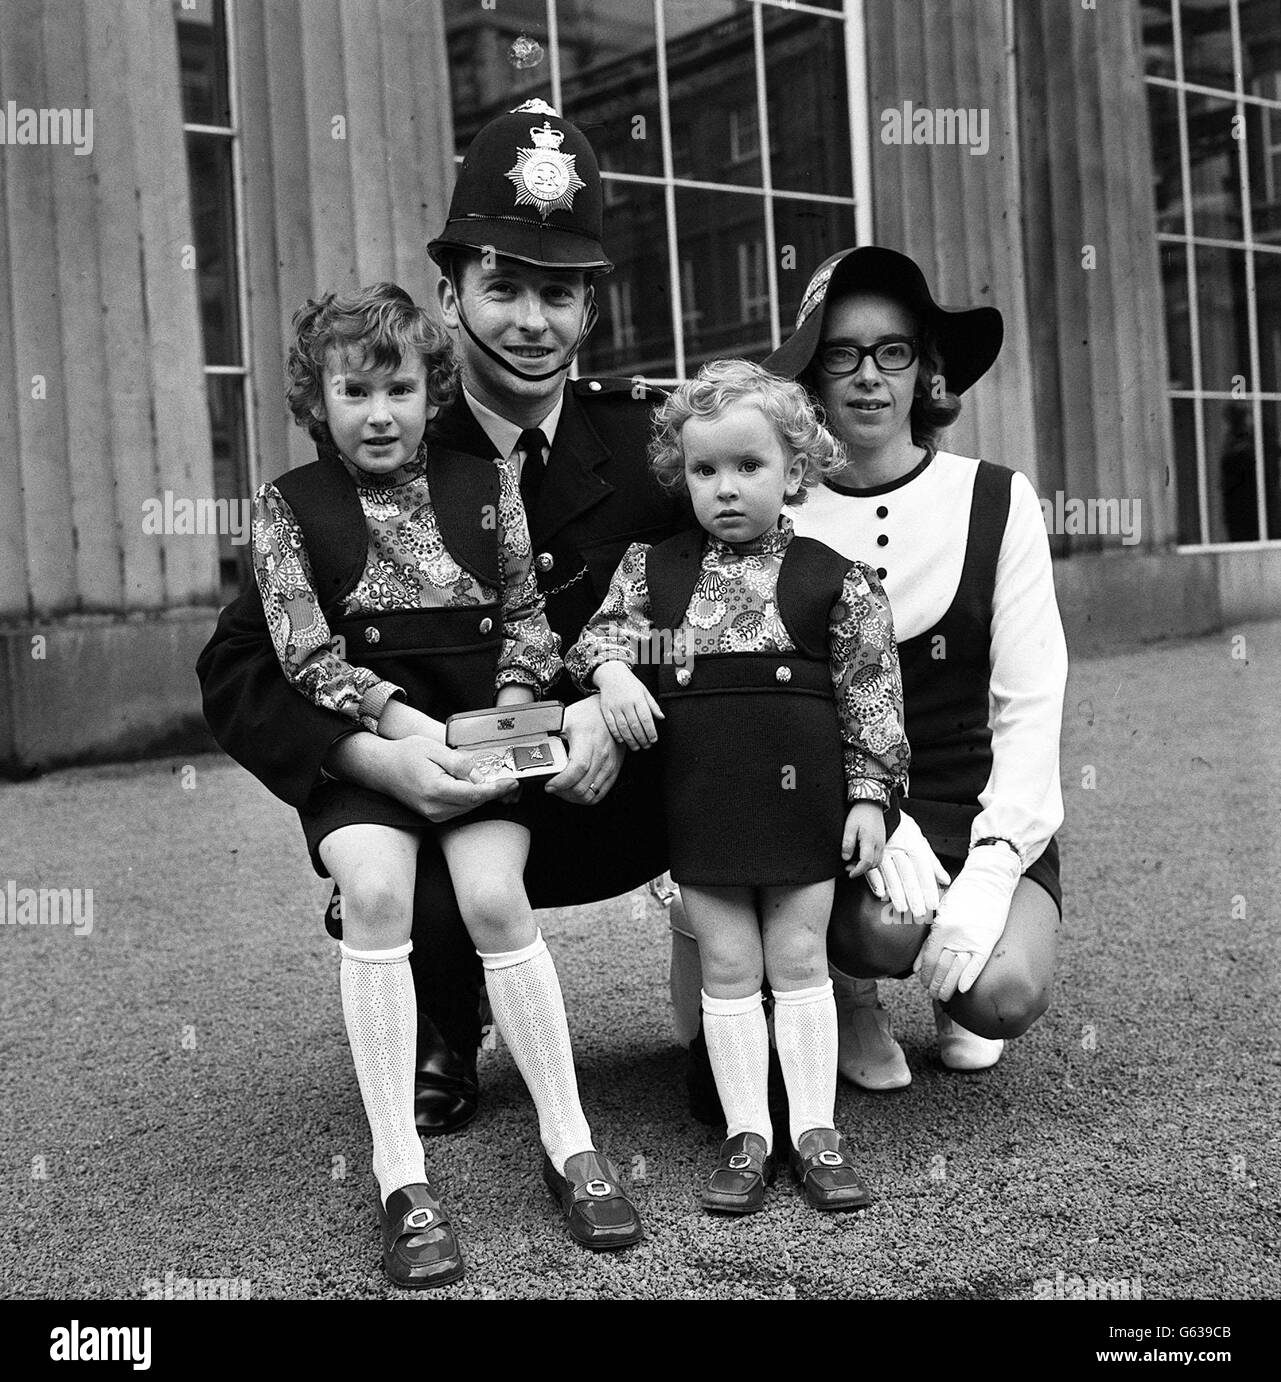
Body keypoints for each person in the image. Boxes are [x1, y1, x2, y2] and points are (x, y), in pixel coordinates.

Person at [196, 100, 688, 1142]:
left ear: (592, 308)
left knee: (749, 726)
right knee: (404, 842)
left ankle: (749, 985)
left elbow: (726, 604)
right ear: (450, 292)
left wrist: (609, 696)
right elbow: (241, 666)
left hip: (601, 794)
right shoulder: (376, 441)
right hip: (431, 787)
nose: (529, 320)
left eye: (558, 292)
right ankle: (442, 1011)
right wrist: (370, 762)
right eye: (501, 286)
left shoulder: (652, 446)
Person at [252, 282, 641, 1286]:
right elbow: (300, 653)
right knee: (376, 892)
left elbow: (526, 622)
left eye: (399, 390)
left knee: (493, 894)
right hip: (370, 749)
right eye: (353, 391)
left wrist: (504, 722)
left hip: (479, 740)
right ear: (317, 400)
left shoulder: (483, 484)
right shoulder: (293, 506)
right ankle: (401, 1173)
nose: (378, 414)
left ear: (432, 394)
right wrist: (399, 728)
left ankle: (571, 1140)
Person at [672, 246, 1067, 1096]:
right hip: (844, 804)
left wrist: (994, 866)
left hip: (975, 797)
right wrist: (879, 806)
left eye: (893, 351)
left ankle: (960, 978)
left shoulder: (996, 496)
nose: (867, 376)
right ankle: (850, 999)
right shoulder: (769, 509)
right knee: (883, 934)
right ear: (810, 378)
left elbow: (1031, 703)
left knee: (1002, 993)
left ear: (923, 369)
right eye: (839, 354)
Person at [566, 361, 910, 1212]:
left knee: (797, 961)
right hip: (702, 803)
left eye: (747, 467)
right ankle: (746, 1133)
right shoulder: (657, 572)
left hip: (804, 810)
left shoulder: (836, 577)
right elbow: (595, 640)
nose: (724, 488)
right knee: (726, 965)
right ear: (679, 476)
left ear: (795, 470)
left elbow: (873, 697)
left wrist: (869, 797)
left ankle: (815, 1135)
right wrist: (613, 676)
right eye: (703, 470)